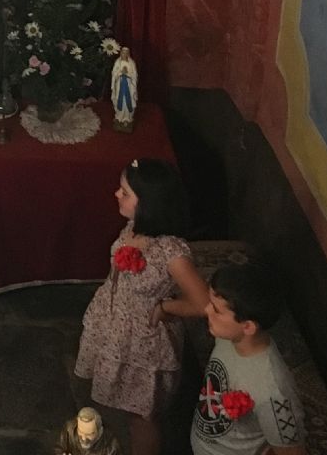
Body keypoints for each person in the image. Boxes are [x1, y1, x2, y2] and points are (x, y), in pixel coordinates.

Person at [75, 159, 210, 455]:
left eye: (125, 192)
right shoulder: (134, 227)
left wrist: (165, 307)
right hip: (115, 324)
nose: (116, 194)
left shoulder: (171, 252)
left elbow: (204, 304)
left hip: (142, 341)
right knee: (126, 405)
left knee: (142, 418)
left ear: (148, 203)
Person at [191, 260, 306, 455]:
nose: (207, 310)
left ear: (248, 326)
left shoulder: (272, 392)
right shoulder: (228, 336)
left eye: (217, 310)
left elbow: (291, 452)